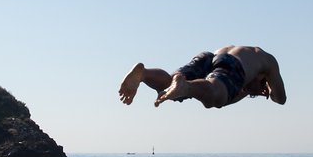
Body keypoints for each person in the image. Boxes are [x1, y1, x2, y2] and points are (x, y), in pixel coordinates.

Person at [118, 45, 286, 109]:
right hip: (233, 64)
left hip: (210, 55)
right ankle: (187, 87)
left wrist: (247, 90)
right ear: (262, 77)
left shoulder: (244, 52)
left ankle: (144, 74)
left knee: (169, 85)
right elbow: (280, 99)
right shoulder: (267, 62)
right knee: (215, 94)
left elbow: (228, 98)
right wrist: (267, 90)